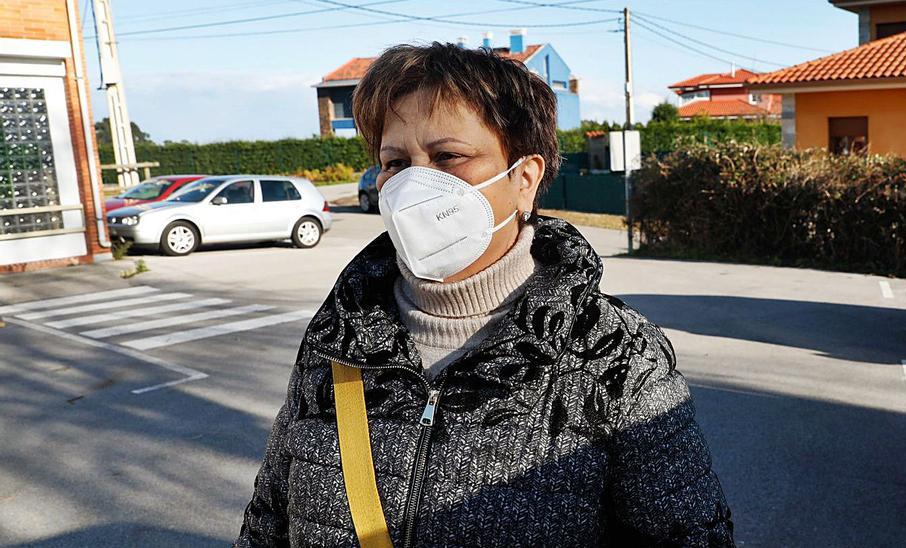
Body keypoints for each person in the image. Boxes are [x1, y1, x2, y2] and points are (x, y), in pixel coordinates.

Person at [235, 42, 733, 546]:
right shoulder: (338, 339)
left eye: (448, 157)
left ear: (524, 180)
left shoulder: (614, 357)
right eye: (395, 161)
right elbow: (268, 521)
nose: (414, 184)